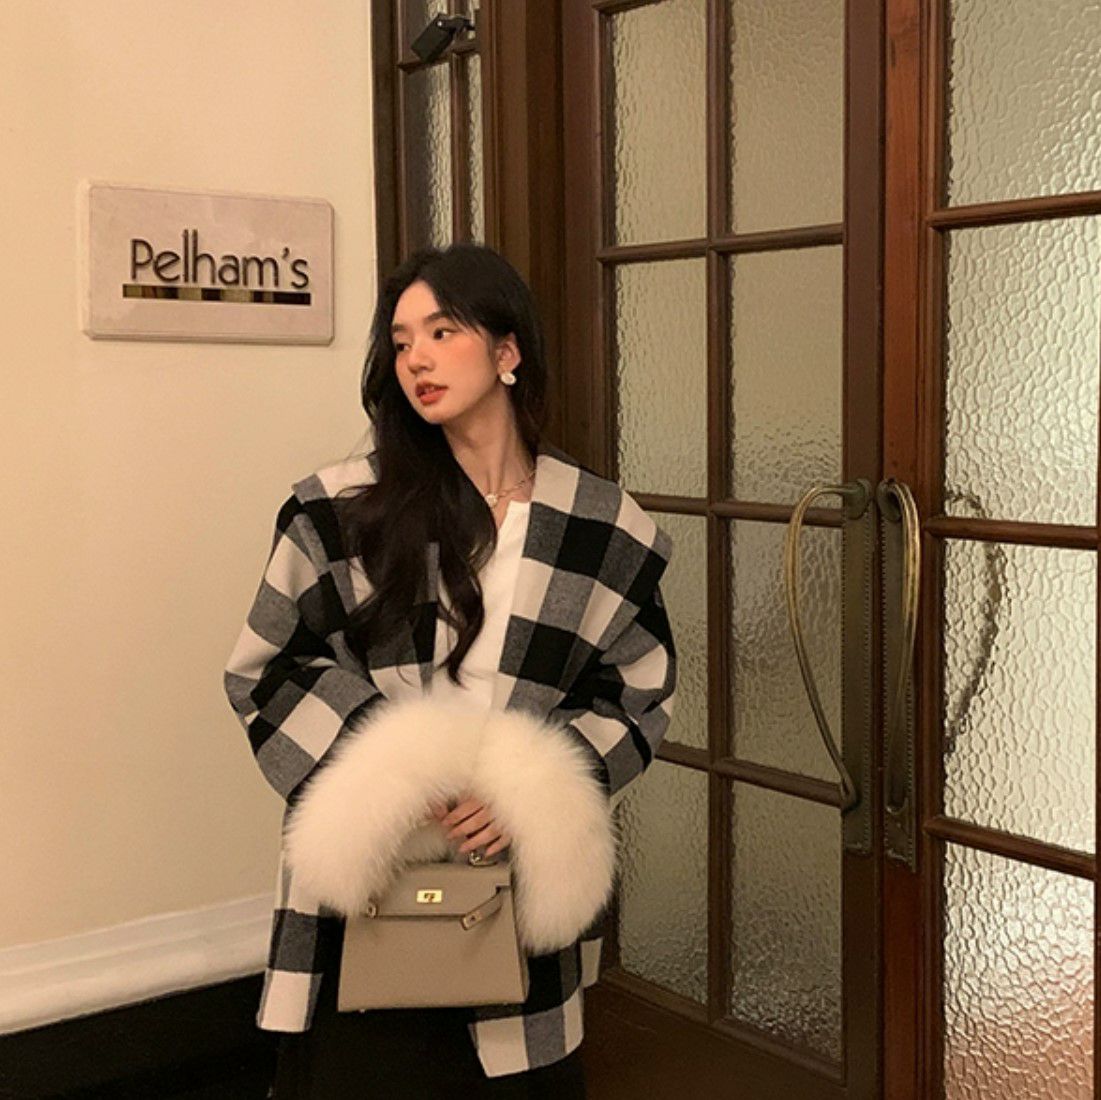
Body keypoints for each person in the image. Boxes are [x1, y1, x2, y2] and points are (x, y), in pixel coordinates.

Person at [223, 242, 677, 1098]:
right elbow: (266, 668)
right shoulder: (339, 509)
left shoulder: (599, 523)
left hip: (512, 883)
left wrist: (526, 792)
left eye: (441, 332)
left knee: (517, 1075)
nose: (416, 360)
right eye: (400, 343)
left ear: (507, 351)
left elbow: (638, 691)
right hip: (373, 880)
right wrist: (399, 771)